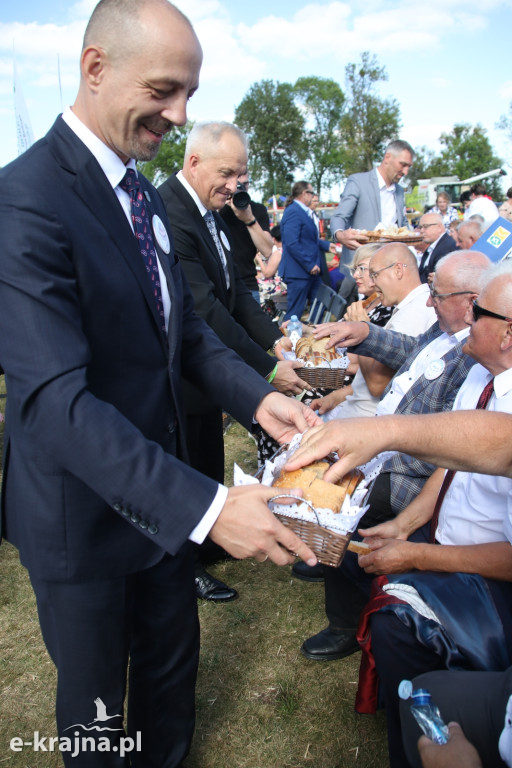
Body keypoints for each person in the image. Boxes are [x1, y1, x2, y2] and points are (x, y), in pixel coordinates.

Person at [0, 2, 321, 766]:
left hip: (164, 499)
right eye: (166, 89)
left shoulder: (140, 193)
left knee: (172, 677)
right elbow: (52, 402)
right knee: (99, 715)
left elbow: (183, 335)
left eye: (190, 93)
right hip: (84, 519)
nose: (180, 115)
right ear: (95, 68)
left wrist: (257, 395)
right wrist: (210, 509)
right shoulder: (24, 199)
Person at [292, 260, 512, 768]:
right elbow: (454, 469)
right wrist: (406, 525)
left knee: (394, 620)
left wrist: (420, 553)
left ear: (506, 334)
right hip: (439, 530)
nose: (456, 315)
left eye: (478, 310)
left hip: (487, 574)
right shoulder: (479, 367)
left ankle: (420, 732)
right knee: (366, 544)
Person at [298, 250, 489, 659]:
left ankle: (348, 622)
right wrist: (363, 332)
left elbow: (453, 443)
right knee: (324, 479)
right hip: (383, 450)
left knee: (347, 514)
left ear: (471, 301)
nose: (427, 301)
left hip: (408, 470)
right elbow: (409, 351)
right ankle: (323, 555)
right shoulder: (442, 332)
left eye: (436, 294)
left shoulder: (479, 355)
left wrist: (378, 463)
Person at [157, 121, 309, 601]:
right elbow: (204, 310)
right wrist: (265, 370)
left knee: (207, 452)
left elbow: (238, 292)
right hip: (184, 368)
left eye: (240, 175)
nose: (234, 185)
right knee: (184, 461)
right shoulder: (169, 211)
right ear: (194, 162)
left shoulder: (214, 212)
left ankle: (205, 539)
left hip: (209, 372)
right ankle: (184, 562)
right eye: (227, 173)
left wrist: (276, 340)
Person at [330, 139, 414, 264]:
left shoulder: (400, 191)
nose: (406, 172)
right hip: (362, 267)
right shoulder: (358, 182)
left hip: (390, 265)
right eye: (403, 164)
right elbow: (339, 216)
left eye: (409, 167)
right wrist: (340, 235)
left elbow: (403, 225)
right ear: (387, 157)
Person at [279, 181, 338, 321]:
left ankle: (312, 336)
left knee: (321, 303)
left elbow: (307, 239)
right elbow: (291, 242)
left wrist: (326, 246)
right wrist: (309, 264)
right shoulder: (294, 211)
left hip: (309, 273)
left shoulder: (303, 212)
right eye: (311, 193)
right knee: (294, 314)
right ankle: (286, 341)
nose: (313, 197)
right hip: (299, 272)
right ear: (304, 194)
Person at [219, 171, 273, 302]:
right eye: (236, 185)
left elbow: (267, 250)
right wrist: (220, 208)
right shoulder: (217, 209)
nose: (239, 189)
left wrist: (249, 220)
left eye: (245, 185)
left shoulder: (257, 210)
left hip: (247, 285)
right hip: (220, 287)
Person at [416, 212, 457, 283]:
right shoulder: (434, 246)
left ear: (439, 228)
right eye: (420, 227)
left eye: (425, 226)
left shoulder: (447, 247)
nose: (422, 231)